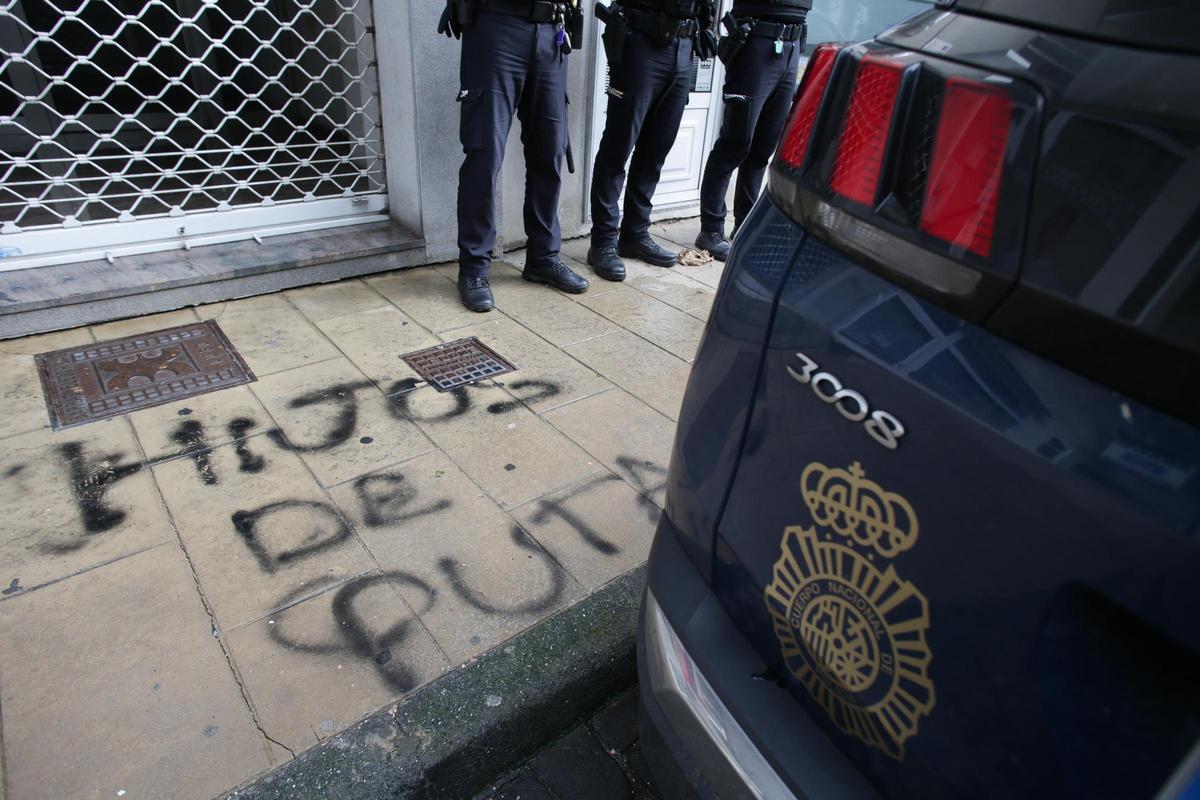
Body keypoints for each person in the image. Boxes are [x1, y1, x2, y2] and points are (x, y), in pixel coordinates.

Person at [438, 0, 589, 311]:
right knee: (484, 157)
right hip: (497, 24)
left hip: (553, 30)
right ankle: (474, 268)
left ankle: (543, 259)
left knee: (549, 154)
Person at [586, 0, 719, 281]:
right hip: (642, 40)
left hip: (683, 47)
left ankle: (634, 234)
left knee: (655, 151)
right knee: (618, 148)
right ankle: (604, 243)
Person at [694, 0, 809, 261]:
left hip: (791, 45)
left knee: (763, 148)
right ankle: (710, 230)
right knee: (735, 143)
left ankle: (745, 224)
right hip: (756, 42)